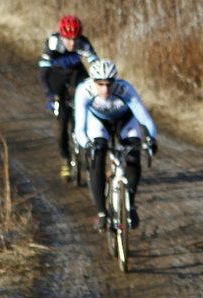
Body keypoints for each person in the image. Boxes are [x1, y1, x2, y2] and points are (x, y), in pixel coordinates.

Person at [74, 59, 158, 231]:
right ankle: (102, 213)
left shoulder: (125, 89)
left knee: (134, 156)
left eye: (109, 84)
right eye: (100, 84)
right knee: (97, 159)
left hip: (124, 121)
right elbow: (79, 129)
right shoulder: (84, 90)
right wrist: (87, 144)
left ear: (115, 81)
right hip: (98, 123)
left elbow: (145, 119)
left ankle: (131, 205)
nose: (105, 89)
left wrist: (151, 139)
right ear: (93, 82)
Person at [38, 14, 100, 178]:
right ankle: (65, 158)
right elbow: (44, 74)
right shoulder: (52, 43)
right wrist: (50, 95)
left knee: (85, 106)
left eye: (75, 39)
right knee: (61, 122)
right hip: (56, 75)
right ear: (62, 36)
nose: (72, 43)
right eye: (68, 39)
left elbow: (96, 66)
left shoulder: (84, 43)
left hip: (76, 73)